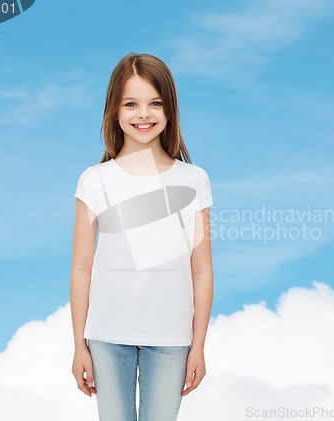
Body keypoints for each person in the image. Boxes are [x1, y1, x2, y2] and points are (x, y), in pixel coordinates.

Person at [69, 53, 214, 421]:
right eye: (131, 104)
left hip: (171, 338)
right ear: (114, 111)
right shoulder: (94, 180)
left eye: (155, 104)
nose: (143, 114)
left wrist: (198, 346)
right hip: (106, 335)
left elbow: (202, 269)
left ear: (170, 110)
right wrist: (78, 346)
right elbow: (82, 268)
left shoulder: (193, 180)